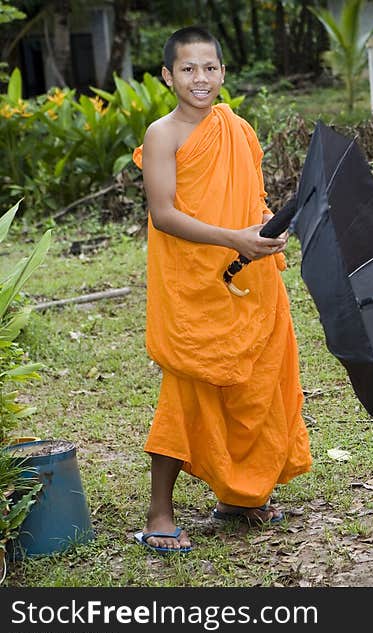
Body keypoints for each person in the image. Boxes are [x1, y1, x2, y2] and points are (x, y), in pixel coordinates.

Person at [131, 26, 312, 553]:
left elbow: (250, 199)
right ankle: (160, 513)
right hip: (193, 287)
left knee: (256, 385)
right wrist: (233, 237)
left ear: (223, 73)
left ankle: (239, 496)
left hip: (248, 278)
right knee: (187, 392)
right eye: (188, 69)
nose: (200, 79)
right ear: (168, 76)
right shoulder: (163, 134)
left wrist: (263, 227)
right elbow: (163, 214)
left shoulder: (236, 127)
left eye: (209, 68)